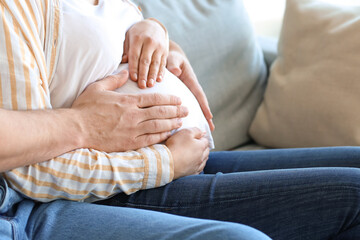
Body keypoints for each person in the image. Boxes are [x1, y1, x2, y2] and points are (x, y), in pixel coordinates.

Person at [1, 0, 360, 239]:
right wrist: (164, 162)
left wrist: (156, 30)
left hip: (184, 157)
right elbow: (32, 167)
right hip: (125, 178)